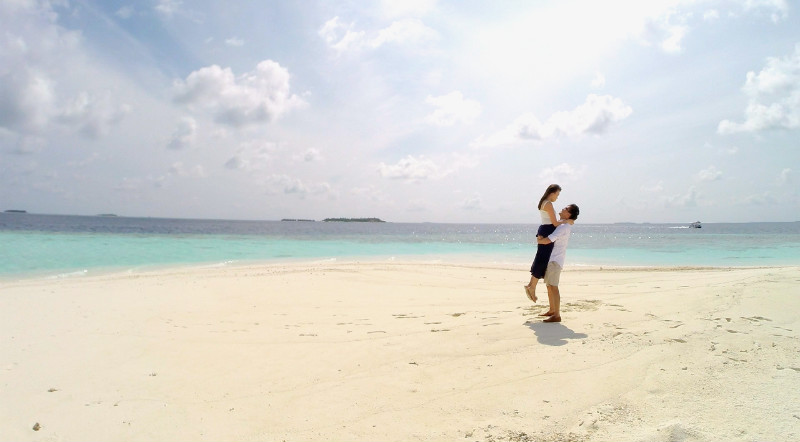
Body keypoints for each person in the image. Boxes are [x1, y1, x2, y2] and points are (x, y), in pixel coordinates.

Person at [536, 204, 579, 323]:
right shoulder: (563, 223)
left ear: (569, 214)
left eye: (566, 209)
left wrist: (539, 241)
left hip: (555, 260)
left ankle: (557, 315)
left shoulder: (563, 227)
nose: (563, 208)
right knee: (549, 286)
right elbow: (568, 222)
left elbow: (550, 239)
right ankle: (552, 310)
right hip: (552, 259)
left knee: (553, 287)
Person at [524, 184, 563, 303]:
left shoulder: (544, 202)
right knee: (542, 260)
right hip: (547, 231)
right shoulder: (548, 204)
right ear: (552, 193)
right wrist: (566, 221)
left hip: (545, 230)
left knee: (540, 259)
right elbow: (555, 223)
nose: (557, 197)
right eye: (557, 194)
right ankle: (532, 287)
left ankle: (531, 286)